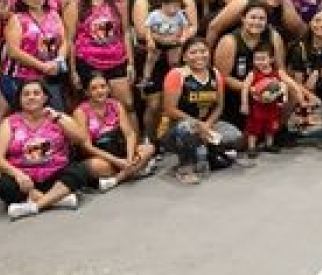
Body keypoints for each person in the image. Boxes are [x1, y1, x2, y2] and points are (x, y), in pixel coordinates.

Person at [0, 80, 95, 220]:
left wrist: (57, 119)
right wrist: (17, 174)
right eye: (26, 94)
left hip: (55, 175)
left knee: (80, 170)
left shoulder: (57, 117)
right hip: (25, 180)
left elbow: (80, 139)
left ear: (45, 98)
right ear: (20, 100)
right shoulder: (9, 123)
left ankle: (34, 206)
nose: (31, 97)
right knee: (4, 185)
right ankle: (56, 200)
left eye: (36, 93)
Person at [161, 38, 243, 185]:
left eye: (203, 51)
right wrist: (199, 125)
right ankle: (185, 167)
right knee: (187, 129)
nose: (199, 56)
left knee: (235, 136)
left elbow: (219, 106)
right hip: (177, 128)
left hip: (206, 123)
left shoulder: (215, 74)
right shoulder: (177, 75)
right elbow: (170, 110)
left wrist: (208, 124)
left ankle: (207, 154)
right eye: (193, 52)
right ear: (185, 56)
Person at [74, 72, 154, 190]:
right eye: (94, 88)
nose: (100, 91)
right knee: (95, 166)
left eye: (103, 86)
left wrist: (129, 158)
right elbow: (87, 146)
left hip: (120, 150)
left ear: (108, 88)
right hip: (101, 157)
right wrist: (117, 161)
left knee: (149, 148)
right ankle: (135, 170)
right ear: (87, 92)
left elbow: (130, 134)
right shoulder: (80, 111)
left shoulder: (116, 105)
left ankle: (116, 179)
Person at [239, 43, 286, 163]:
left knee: (271, 127)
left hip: (272, 107)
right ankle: (251, 147)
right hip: (257, 108)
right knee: (254, 128)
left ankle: (269, 144)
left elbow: (283, 87)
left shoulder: (276, 73)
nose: (260, 62)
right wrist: (244, 104)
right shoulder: (252, 74)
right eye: (256, 59)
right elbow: (245, 88)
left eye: (263, 59)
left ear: (271, 59)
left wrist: (282, 99)